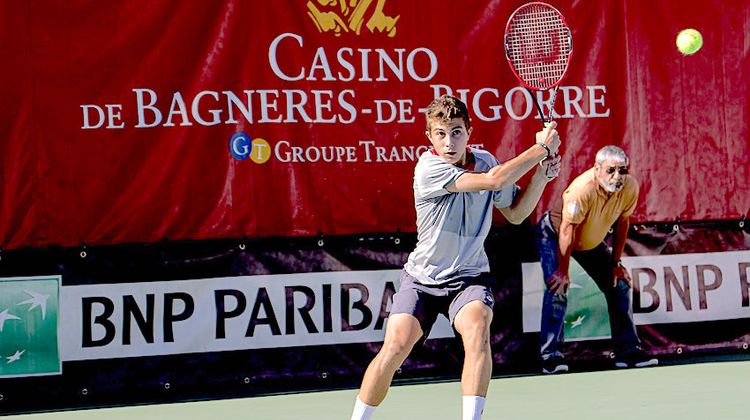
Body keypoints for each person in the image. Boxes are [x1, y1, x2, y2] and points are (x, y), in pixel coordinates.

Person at [350, 94, 562, 420]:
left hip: (469, 279)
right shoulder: (428, 168)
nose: (449, 142)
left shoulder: (487, 160)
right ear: (429, 137)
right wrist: (541, 149)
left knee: (477, 331)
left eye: (456, 132)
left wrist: (541, 177)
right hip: (422, 280)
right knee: (394, 348)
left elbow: (517, 214)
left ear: (469, 131)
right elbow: (495, 181)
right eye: (440, 133)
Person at [536, 145, 658, 374]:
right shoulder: (582, 189)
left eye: (623, 171)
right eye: (611, 170)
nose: (618, 177)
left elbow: (623, 223)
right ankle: (550, 357)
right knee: (557, 287)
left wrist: (616, 265)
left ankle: (628, 353)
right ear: (597, 169)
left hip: (588, 243)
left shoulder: (629, 186)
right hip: (555, 234)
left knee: (619, 285)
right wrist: (563, 271)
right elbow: (567, 231)